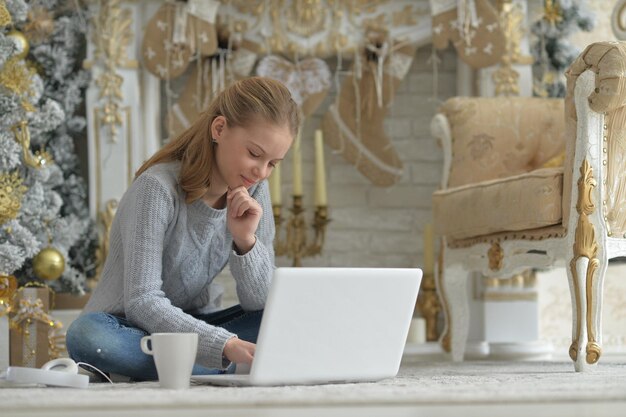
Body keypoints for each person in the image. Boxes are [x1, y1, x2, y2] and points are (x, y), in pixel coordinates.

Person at [66, 77, 300, 380]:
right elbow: (142, 302)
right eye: (255, 154)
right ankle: (216, 366)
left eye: (273, 164)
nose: (261, 172)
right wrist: (223, 344)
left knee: (285, 317)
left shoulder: (255, 191)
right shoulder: (156, 188)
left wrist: (246, 241)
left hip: (193, 325)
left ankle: (183, 366)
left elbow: (261, 303)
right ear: (219, 129)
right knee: (88, 337)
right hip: (126, 326)